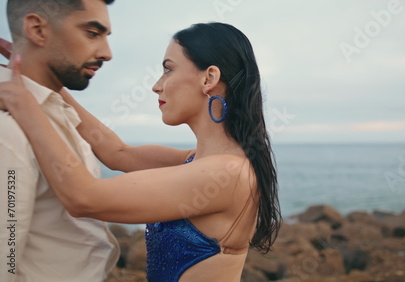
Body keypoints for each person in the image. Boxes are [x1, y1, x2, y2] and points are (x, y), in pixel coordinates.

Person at [0, 22, 282, 281]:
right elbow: (117, 152)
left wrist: (23, 104)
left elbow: (83, 197)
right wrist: (45, 80)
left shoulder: (226, 174)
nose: (156, 85)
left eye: (168, 69)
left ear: (209, 78)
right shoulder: (198, 161)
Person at [0, 0, 119, 281]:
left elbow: (121, 153)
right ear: (37, 30)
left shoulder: (55, 113)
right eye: (92, 33)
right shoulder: (10, 130)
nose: (107, 53)